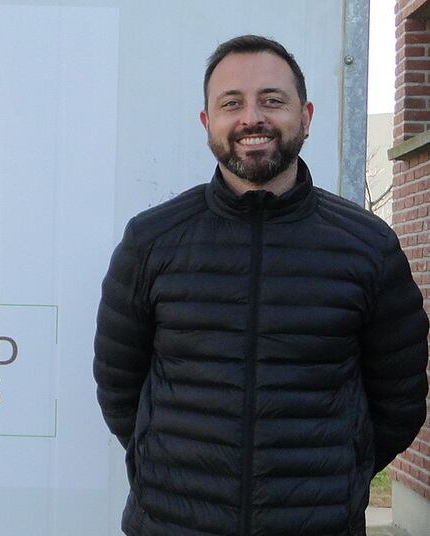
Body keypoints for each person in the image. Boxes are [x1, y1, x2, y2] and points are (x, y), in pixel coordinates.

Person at [93, 35, 429, 536]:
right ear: (207, 123)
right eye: (232, 103)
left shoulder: (368, 247)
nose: (252, 118)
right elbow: (118, 389)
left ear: (306, 116)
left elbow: (399, 400)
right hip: (173, 522)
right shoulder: (151, 242)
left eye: (272, 100)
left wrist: (338, 476)